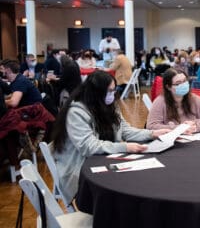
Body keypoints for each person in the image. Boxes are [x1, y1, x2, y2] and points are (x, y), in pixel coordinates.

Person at [50, 71, 170, 205]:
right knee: (126, 186)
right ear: (96, 92)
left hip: (104, 159)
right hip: (80, 167)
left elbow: (125, 130)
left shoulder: (109, 105)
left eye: (114, 90)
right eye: (109, 91)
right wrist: (124, 147)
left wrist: (152, 134)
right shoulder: (76, 112)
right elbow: (89, 147)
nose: (112, 95)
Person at [146, 68, 200, 134]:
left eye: (185, 81)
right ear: (168, 87)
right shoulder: (160, 102)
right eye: (178, 83)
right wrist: (180, 129)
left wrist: (195, 126)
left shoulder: (195, 99)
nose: (183, 85)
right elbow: (151, 126)